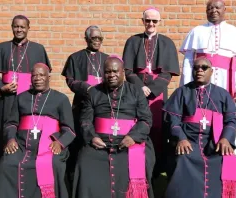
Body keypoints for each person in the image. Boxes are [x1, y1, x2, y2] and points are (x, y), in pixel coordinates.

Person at [163, 58, 236, 198]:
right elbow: (172, 119)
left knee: (229, 160)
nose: (199, 71)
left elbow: (231, 120)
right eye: (196, 68)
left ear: (211, 71)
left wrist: (226, 139)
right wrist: (180, 138)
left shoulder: (222, 94)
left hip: (214, 142)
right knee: (183, 159)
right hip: (189, 141)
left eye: (204, 68)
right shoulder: (182, 92)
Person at [0, 63, 76, 198]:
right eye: (34, 75)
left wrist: (60, 143)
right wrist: (11, 139)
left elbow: (69, 129)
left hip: (49, 146)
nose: (37, 78)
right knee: (8, 162)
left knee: (54, 164)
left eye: (41, 75)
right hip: (22, 146)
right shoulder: (21, 97)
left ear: (49, 77)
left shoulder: (60, 99)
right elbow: (11, 123)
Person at [72, 56, 155, 198]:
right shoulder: (93, 92)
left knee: (142, 160)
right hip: (99, 144)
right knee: (84, 161)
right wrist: (92, 137)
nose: (111, 75)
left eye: (115, 71)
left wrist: (133, 137)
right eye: (108, 72)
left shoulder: (136, 92)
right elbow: (85, 120)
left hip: (128, 143)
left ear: (123, 72)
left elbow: (146, 120)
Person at [179, 0, 236, 154]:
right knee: (199, 116)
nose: (213, 10)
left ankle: (230, 153)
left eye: (217, 7)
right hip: (200, 84)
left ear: (224, 9)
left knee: (228, 116)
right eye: (210, 8)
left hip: (227, 83)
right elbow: (188, 62)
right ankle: (200, 152)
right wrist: (185, 87)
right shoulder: (196, 31)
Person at [0, 15, 51, 176]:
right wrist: (2, 87)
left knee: (27, 131)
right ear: (12, 27)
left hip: (30, 99)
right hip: (8, 99)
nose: (19, 29)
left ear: (28, 28)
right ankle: (0, 172)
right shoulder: (2, 47)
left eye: (22, 27)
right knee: (3, 131)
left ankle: (27, 169)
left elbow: (45, 75)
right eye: (16, 26)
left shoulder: (38, 49)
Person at [122, 7, 180, 176]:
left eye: (154, 21)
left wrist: (152, 89)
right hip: (136, 90)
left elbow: (167, 72)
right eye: (148, 20)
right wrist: (140, 87)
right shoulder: (132, 41)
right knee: (136, 123)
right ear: (143, 21)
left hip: (158, 93)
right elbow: (128, 70)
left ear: (159, 23)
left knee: (157, 128)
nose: (151, 24)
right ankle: (135, 161)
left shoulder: (167, 42)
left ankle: (157, 165)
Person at [61, 25, 109, 186]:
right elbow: (70, 81)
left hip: (103, 107)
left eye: (99, 38)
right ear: (86, 39)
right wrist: (86, 88)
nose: (97, 41)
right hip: (82, 105)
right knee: (81, 138)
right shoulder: (76, 58)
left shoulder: (107, 59)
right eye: (94, 38)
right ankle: (74, 173)